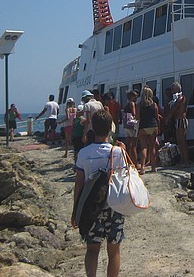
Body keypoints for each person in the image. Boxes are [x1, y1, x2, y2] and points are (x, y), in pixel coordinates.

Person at [72, 110, 127, 277]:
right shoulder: (117, 152)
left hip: (91, 207)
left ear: (92, 128)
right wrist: (124, 151)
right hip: (114, 206)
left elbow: (79, 183)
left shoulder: (83, 153)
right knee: (114, 250)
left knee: (92, 250)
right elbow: (124, 177)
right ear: (110, 128)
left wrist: (76, 211)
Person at [136, 86, 161, 174]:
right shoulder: (154, 105)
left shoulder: (139, 105)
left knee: (144, 147)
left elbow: (137, 117)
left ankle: (142, 167)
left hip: (143, 127)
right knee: (152, 147)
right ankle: (153, 167)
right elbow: (157, 117)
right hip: (153, 126)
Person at [169, 82, 190, 167]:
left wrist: (168, 118)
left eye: (173, 89)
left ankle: (186, 161)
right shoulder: (177, 99)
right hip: (178, 120)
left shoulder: (181, 98)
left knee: (182, 141)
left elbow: (174, 109)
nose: (172, 92)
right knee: (179, 141)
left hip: (181, 120)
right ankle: (183, 159)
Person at [122, 90, 138, 164]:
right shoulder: (132, 104)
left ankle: (128, 161)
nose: (136, 98)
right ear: (131, 97)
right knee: (134, 145)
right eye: (135, 96)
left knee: (129, 145)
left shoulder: (126, 104)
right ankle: (135, 162)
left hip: (126, 125)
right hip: (132, 125)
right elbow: (134, 114)